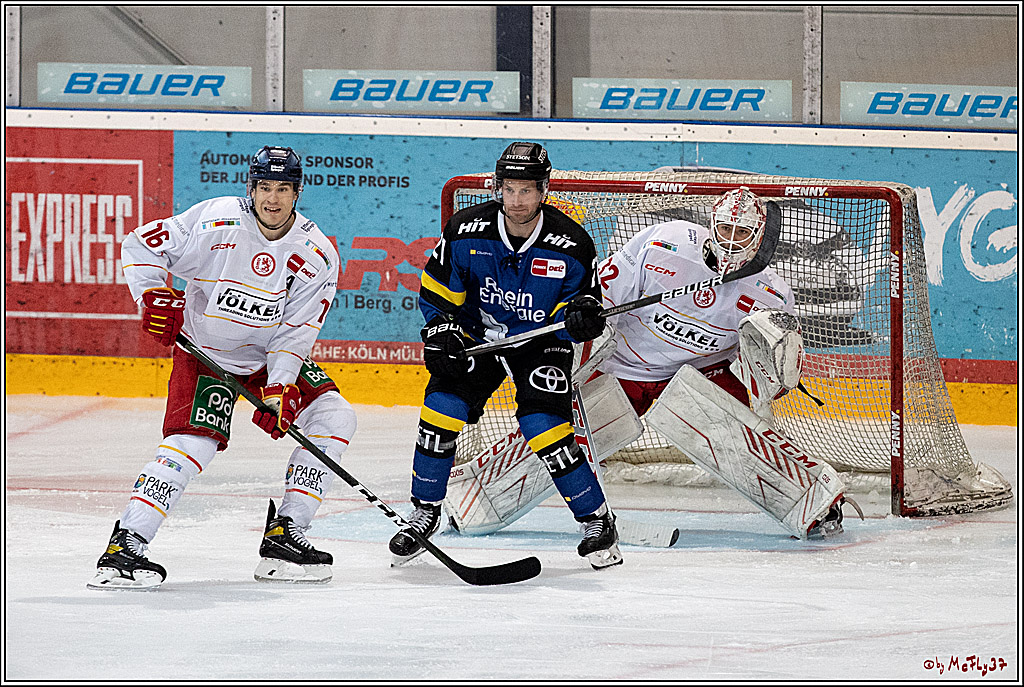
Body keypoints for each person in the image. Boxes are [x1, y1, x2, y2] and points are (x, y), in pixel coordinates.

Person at [88, 146, 357, 590]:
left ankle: (286, 535)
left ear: (298, 193)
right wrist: (152, 294)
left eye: (284, 189)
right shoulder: (215, 220)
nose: (273, 199)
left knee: (334, 415)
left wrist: (280, 386)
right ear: (251, 189)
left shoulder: (316, 253)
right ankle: (126, 544)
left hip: (266, 359)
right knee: (194, 444)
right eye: (265, 187)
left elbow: (296, 330)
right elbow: (139, 244)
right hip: (203, 353)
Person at [388, 141, 622, 569]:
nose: (517, 200)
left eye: (527, 190)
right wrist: (442, 330)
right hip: (479, 336)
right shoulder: (465, 231)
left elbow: (583, 306)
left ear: (544, 190)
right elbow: (438, 295)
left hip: (539, 339)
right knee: (440, 410)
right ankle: (424, 513)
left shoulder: (571, 244)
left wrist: (583, 315)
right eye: (510, 189)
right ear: (498, 187)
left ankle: (597, 519)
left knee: (543, 426)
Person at [591, 186, 847, 537]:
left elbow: (769, 379)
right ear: (712, 224)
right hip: (624, 364)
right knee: (563, 434)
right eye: (725, 228)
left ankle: (814, 501)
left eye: (742, 232)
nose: (731, 240)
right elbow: (602, 296)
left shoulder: (771, 295)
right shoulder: (664, 242)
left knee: (739, 433)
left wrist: (770, 374)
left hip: (696, 373)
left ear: (758, 237)